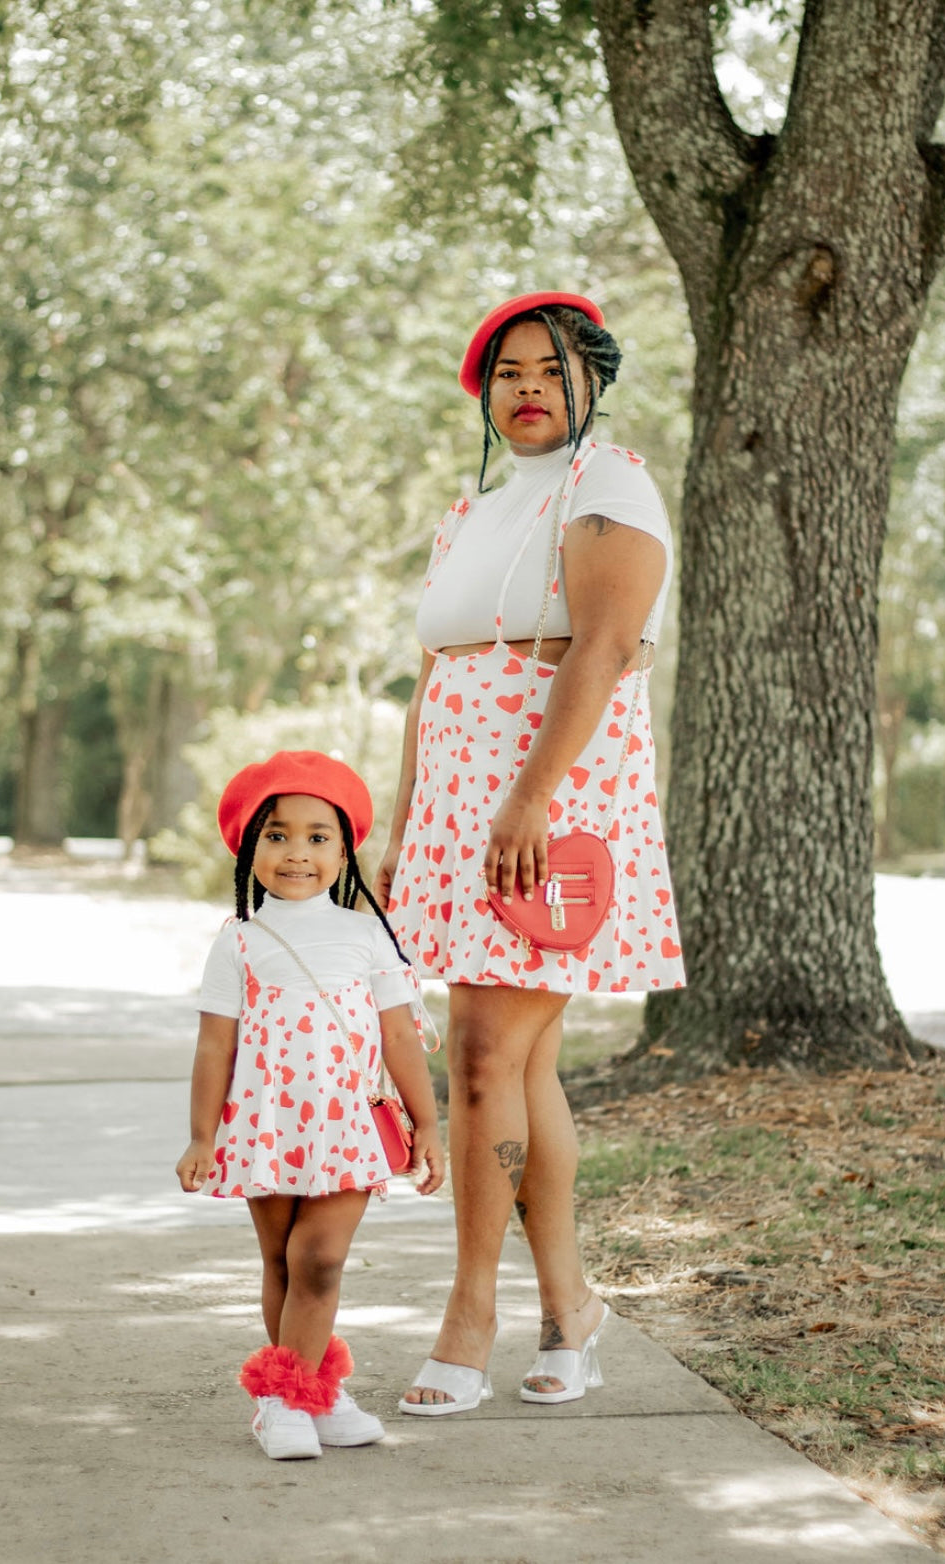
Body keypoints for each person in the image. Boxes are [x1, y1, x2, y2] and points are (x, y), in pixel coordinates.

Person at [374, 291, 686, 1416]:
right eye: (507, 371)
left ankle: (470, 1315)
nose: (528, 387)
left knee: (478, 1056)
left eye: (550, 368)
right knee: (519, 1061)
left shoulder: (611, 487)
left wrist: (532, 795)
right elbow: (433, 678)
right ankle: (572, 1308)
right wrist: (411, 828)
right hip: (464, 802)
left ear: (592, 379)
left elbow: (601, 647)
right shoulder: (475, 512)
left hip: (550, 798)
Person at [176, 749, 445, 1460]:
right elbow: (213, 1048)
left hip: (345, 1126)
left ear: (345, 847)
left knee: (319, 1259)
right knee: (282, 1264)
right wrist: (201, 1136)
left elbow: (398, 1035)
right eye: (277, 835)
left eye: (317, 837)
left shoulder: (365, 934)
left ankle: (286, 1399)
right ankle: (311, 1398)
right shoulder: (238, 940)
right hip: (265, 1127)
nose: (297, 853)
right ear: (248, 847)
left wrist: (428, 1123)